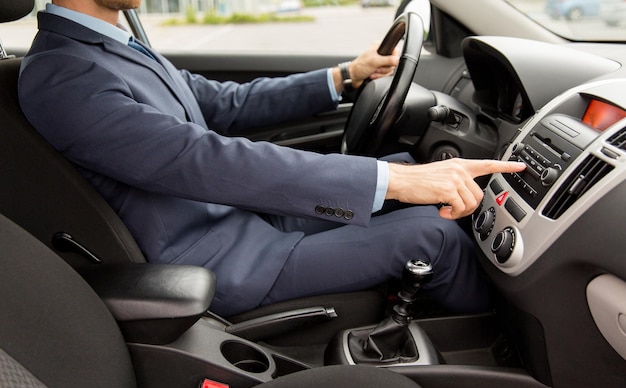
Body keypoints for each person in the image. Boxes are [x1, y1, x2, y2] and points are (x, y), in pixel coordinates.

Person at [18, 0, 525, 317]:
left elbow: (223, 105)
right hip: (219, 259)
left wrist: (348, 75)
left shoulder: (111, 48)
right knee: (429, 235)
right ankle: (501, 350)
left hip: (237, 221)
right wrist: (390, 181)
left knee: (405, 167)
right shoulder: (64, 75)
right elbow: (200, 160)